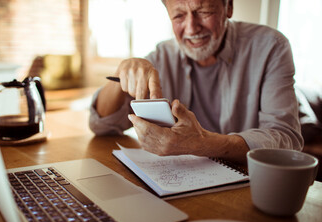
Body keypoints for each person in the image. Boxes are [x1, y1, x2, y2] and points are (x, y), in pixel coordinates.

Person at [89, 0, 304, 164]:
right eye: (179, 16)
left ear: (228, 7)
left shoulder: (271, 46)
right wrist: (119, 75)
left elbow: (286, 139)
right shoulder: (161, 56)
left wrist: (202, 144)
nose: (191, 28)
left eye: (203, 12)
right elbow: (100, 124)